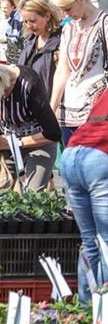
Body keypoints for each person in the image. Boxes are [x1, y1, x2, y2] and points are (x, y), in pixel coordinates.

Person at [0, 58, 61, 191]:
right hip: (7, 141)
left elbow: (53, 133)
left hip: (38, 142)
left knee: (31, 196)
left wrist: (16, 143)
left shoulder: (29, 84)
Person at [59, 90, 108, 303]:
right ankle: (104, 313)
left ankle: (86, 311)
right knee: (105, 243)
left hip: (71, 155)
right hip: (98, 159)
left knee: (90, 241)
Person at [49, 0, 107, 147]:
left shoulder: (104, 24)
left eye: (67, 8)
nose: (64, 13)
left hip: (97, 111)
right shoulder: (68, 28)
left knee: (93, 168)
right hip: (69, 111)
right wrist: (52, 108)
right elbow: (62, 71)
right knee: (70, 166)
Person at [16, 0, 62, 97]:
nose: (29, 26)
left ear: (47, 16)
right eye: (25, 21)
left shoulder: (62, 41)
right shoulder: (29, 40)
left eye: (33, 21)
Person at [0, 0, 23, 64]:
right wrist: (6, 38)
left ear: (12, 7)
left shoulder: (18, 20)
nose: (3, 9)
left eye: (6, 7)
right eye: (2, 7)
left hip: (13, 55)